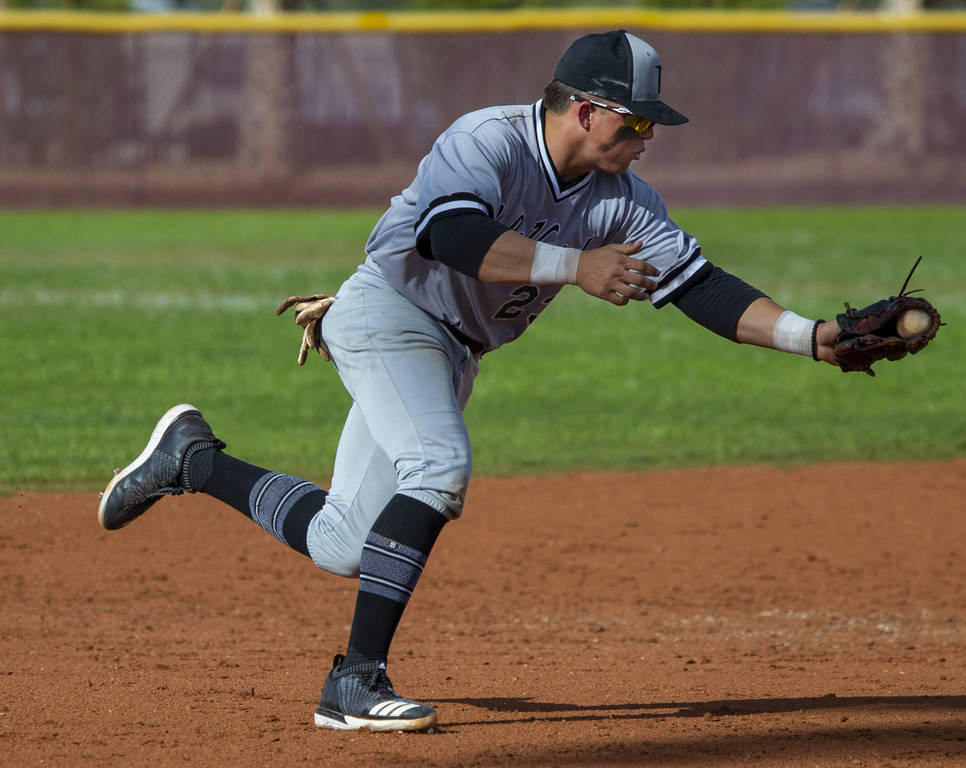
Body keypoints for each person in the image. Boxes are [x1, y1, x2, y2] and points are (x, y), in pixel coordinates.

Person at [98, 29, 840, 733]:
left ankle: (191, 459)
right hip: (389, 315)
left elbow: (702, 287)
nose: (647, 138)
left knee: (344, 544)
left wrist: (814, 338)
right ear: (584, 108)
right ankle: (353, 681)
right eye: (636, 123)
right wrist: (575, 267)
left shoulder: (627, 203)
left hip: (453, 353)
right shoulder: (489, 139)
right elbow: (446, 235)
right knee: (440, 466)